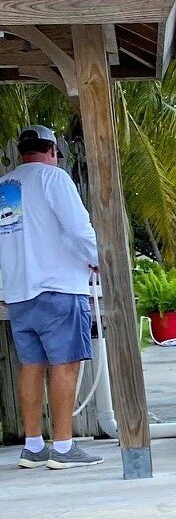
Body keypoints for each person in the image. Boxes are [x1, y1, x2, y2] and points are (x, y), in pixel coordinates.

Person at [0, 126, 102, 469]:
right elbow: (77, 228)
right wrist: (97, 259)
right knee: (66, 364)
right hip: (57, 286)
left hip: (18, 292)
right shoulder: (54, 179)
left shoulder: (5, 186)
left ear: (21, 152)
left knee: (31, 365)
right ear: (53, 150)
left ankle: (32, 446)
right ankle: (63, 447)